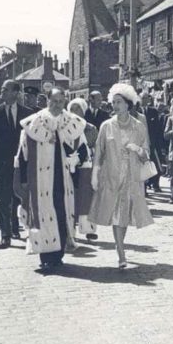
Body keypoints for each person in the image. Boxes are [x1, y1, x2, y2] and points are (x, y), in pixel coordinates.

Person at [15, 88, 88, 271]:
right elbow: (22, 154)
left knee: (62, 214)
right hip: (39, 179)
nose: (57, 105)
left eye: (61, 101)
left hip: (64, 178)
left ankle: (58, 255)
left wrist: (75, 158)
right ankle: (45, 256)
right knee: (42, 215)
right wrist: (23, 180)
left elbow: (84, 149)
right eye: (54, 101)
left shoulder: (73, 122)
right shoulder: (33, 124)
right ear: (46, 101)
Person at [88, 83, 154, 269]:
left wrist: (138, 149)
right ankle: (121, 252)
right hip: (111, 176)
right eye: (113, 102)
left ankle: (120, 247)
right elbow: (99, 153)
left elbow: (147, 152)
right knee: (115, 213)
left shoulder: (139, 126)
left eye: (119, 102)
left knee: (123, 215)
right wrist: (95, 175)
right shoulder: (106, 126)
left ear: (128, 104)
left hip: (131, 177)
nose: (115, 105)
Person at [0, 80, 33, 249]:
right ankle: (5, 235)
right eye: (2, 90)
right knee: (3, 198)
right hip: (1, 162)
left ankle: (15, 226)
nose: (1, 92)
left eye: (5, 90)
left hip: (22, 163)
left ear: (15, 93)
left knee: (18, 196)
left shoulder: (28, 113)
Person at [68, 97, 98, 241]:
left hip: (86, 166)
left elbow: (97, 147)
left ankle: (89, 229)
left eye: (78, 109)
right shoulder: (64, 127)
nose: (75, 112)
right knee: (71, 197)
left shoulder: (90, 128)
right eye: (72, 109)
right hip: (69, 165)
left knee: (87, 197)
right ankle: (70, 229)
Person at [141, 93, 163, 193]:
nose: (144, 100)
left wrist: (158, 143)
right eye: (142, 98)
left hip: (152, 143)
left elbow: (158, 128)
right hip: (141, 143)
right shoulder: (136, 111)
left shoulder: (153, 111)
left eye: (146, 98)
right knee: (143, 165)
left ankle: (156, 184)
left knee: (154, 164)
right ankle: (144, 188)